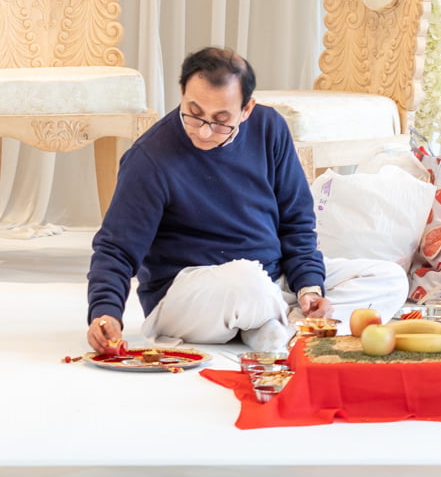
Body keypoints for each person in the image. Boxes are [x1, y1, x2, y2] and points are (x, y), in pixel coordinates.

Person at [85, 47, 407, 353]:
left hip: (272, 279)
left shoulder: (269, 128)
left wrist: (309, 287)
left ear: (246, 110)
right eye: (194, 114)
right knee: (246, 282)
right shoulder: (149, 157)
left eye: (220, 120)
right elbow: (116, 247)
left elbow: (296, 221)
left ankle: (275, 325)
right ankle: (280, 326)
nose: (204, 132)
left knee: (389, 278)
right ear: (182, 93)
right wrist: (105, 312)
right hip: (195, 295)